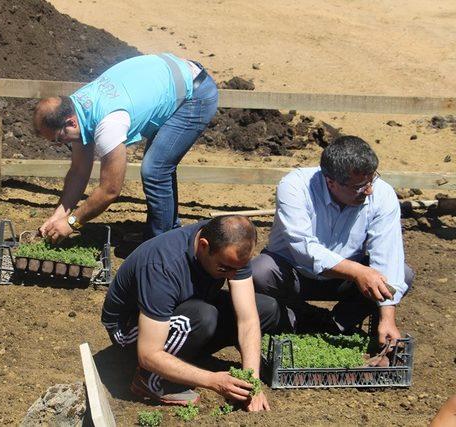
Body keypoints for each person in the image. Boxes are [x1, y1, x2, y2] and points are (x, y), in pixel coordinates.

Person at [33, 53, 218, 243]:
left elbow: (110, 190)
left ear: (70, 122)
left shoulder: (108, 123)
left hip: (195, 94)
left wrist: (72, 222)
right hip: (168, 82)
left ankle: (161, 245)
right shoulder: (77, 108)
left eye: (58, 139)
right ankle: (165, 233)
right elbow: (79, 171)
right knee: (159, 168)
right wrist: (59, 215)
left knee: (155, 170)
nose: (60, 145)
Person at [101, 215, 279, 410]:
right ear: (203, 246)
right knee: (203, 317)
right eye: (224, 268)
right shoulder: (162, 266)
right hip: (130, 330)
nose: (231, 276)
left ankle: (183, 356)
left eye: (238, 269)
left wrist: (252, 382)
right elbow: (148, 354)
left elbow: (248, 319)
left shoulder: (231, 247)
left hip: (180, 310)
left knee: (266, 309)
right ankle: (151, 381)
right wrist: (213, 380)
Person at [251, 135, 414, 345]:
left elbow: (387, 254)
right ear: (331, 182)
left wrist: (388, 318)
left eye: (371, 180)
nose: (369, 190)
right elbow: (303, 247)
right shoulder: (295, 186)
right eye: (360, 186)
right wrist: (357, 271)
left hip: (344, 281)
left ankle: (335, 325)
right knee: (259, 272)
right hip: (293, 272)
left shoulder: (382, 194)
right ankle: (295, 319)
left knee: (403, 273)